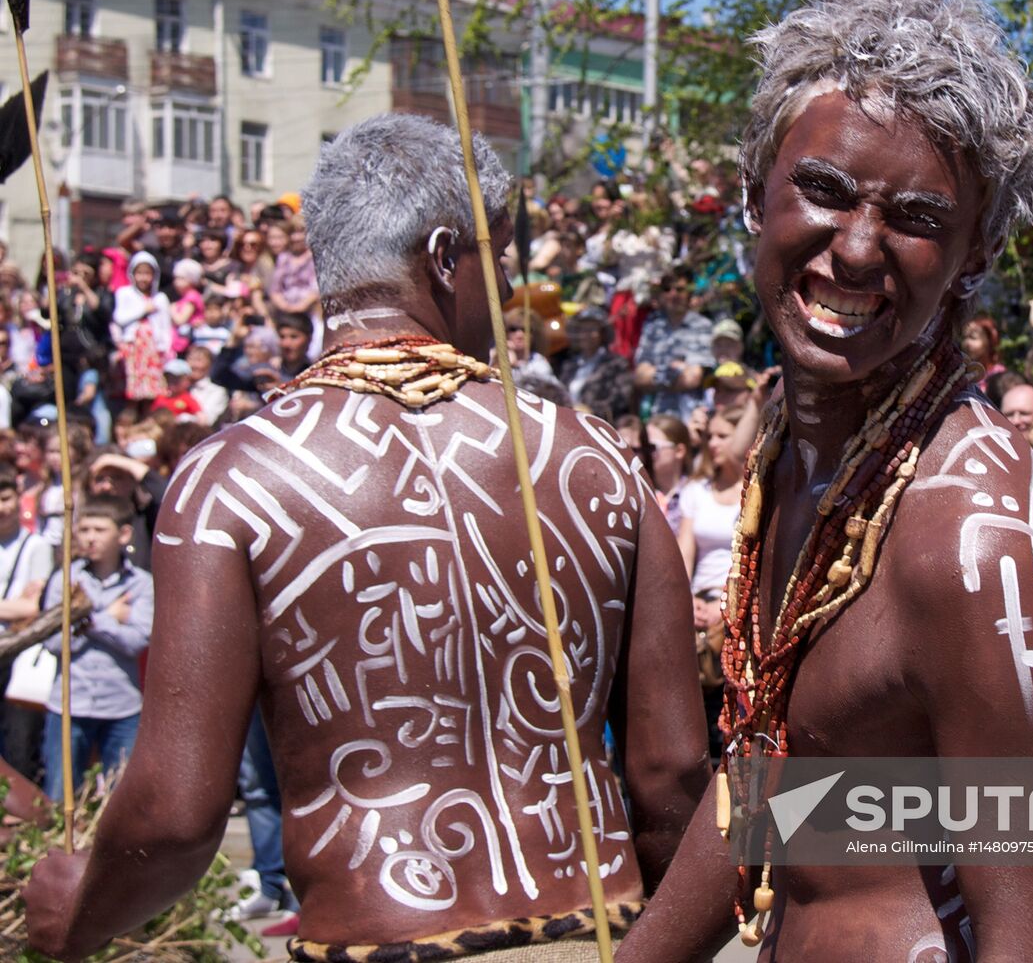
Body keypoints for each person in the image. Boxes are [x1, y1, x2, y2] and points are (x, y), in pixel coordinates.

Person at [24, 112, 708, 962]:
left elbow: (173, 815)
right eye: (500, 260)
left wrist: (77, 912)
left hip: (384, 939)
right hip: (602, 929)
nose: (511, 288)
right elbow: (673, 772)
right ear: (445, 255)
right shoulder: (597, 458)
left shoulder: (230, 480)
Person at [620, 0, 1033, 962]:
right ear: (756, 191)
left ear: (973, 256)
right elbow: (764, 793)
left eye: (916, 216)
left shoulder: (973, 538)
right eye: (825, 190)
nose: (858, 249)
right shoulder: (800, 464)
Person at [38, 493, 153, 802]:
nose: (90, 538)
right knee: (61, 799)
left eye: (99, 530)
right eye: (84, 529)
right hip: (69, 703)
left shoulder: (141, 583)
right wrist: (111, 617)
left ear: (124, 534)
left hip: (122, 707)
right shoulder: (65, 579)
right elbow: (51, 641)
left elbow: (138, 641)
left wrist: (87, 620)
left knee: (122, 804)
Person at [0, 461, 53, 782]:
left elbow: (32, 607)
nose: (1, 508)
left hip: (16, 654)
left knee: (19, 747)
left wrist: (19, 607)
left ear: (18, 498)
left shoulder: (36, 546)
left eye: (5, 498)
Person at [676, 407, 745, 597]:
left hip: (742, 602)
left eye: (722, 436)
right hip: (700, 597)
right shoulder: (696, 490)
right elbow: (685, 555)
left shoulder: (758, 493)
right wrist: (685, 600)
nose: (713, 443)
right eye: (710, 437)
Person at [633, 270, 715, 421]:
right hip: (654, 416)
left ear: (689, 293)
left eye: (679, 289)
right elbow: (639, 376)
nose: (673, 294)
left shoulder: (703, 325)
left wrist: (654, 374)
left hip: (689, 418)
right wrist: (677, 370)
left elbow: (692, 378)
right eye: (667, 289)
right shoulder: (652, 326)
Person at [111, 252, 173, 411]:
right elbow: (119, 318)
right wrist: (143, 310)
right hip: (132, 350)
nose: (143, 278)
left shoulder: (160, 298)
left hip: (153, 351)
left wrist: (166, 349)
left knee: (151, 395)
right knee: (131, 396)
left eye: (147, 273)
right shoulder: (124, 294)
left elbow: (166, 326)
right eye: (139, 273)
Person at [558, 305, 633, 422]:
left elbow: (621, 399)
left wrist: (591, 411)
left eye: (591, 330)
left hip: (599, 426)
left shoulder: (616, 364)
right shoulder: (569, 365)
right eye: (582, 330)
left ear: (602, 334)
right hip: (567, 423)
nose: (585, 335)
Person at [645, 413, 692, 534]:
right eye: (644, 447)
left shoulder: (696, 492)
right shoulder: (641, 492)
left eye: (653, 447)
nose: (647, 453)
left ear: (679, 451)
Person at [960, 311, 1005, 392]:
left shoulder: (999, 375)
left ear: (989, 341)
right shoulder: (960, 370)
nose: (966, 343)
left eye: (973, 337)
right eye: (964, 337)